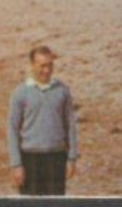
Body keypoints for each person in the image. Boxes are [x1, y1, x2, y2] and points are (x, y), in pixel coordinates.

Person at [7, 45, 79, 197]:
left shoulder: (62, 90)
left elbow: (70, 125)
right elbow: (12, 129)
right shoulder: (20, 93)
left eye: (50, 65)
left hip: (57, 157)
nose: (47, 70)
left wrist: (72, 158)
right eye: (42, 66)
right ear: (32, 65)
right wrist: (17, 164)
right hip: (30, 159)